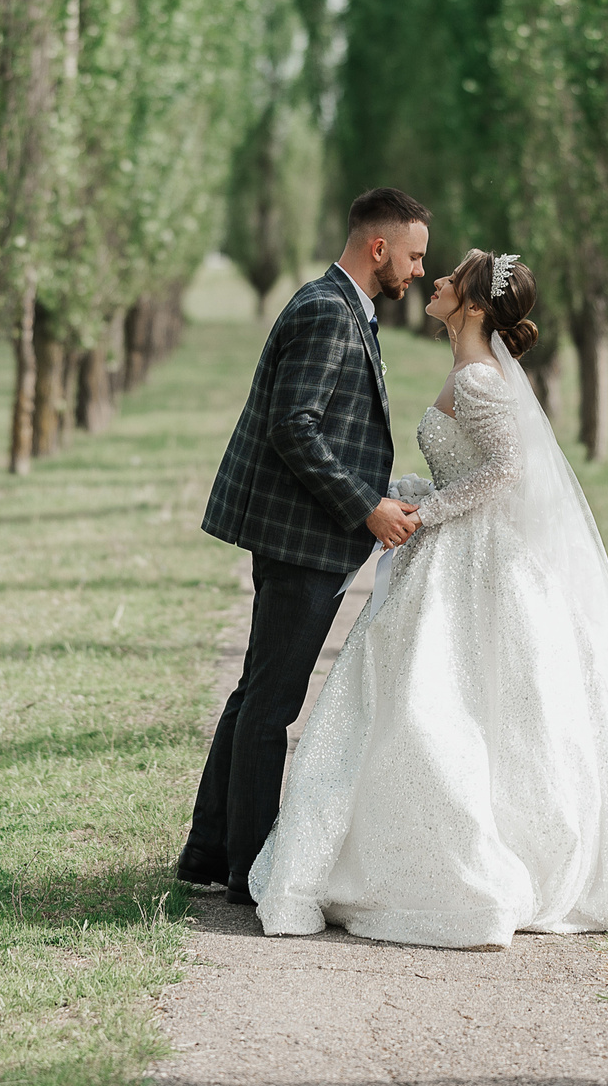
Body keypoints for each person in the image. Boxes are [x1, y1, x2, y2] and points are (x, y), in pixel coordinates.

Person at [248, 249, 608, 948]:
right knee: (449, 700)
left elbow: (506, 469)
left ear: (471, 306)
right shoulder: (473, 372)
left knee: (449, 699)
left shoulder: (476, 379)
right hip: (461, 551)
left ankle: (479, 860)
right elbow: (474, 463)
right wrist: (418, 494)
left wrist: (431, 513)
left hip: (476, 558)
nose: (435, 281)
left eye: (449, 279)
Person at [178, 187, 433, 905]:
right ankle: (250, 871)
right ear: (378, 247)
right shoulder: (327, 310)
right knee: (272, 705)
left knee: (256, 692)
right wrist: (368, 509)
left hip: (307, 533)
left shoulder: (346, 305)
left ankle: (210, 851)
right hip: (302, 537)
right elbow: (296, 427)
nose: (417, 270)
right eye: (412, 256)